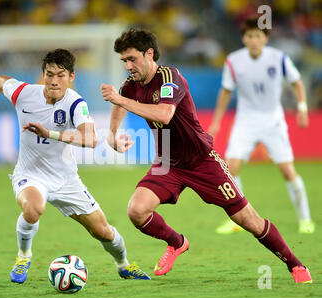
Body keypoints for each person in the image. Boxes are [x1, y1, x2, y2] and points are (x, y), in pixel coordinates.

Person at [100, 28, 312, 283]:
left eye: (132, 59)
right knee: (136, 211)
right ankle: (177, 243)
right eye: (124, 61)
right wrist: (113, 136)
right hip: (168, 163)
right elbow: (121, 99)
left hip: (203, 161)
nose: (128, 66)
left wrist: (119, 100)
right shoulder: (130, 86)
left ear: (149, 54)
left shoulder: (170, 77)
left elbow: (164, 114)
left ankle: (295, 265)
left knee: (248, 220)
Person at [0, 48, 150, 283]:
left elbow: (90, 139)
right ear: (43, 74)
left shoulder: (75, 104)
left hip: (66, 180)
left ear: (72, 77)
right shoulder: (24, 93)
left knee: (103, 231)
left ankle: (123, 265)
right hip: (30, 174)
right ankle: (24, 256)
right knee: (34, 208)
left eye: (60, 75)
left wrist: (51, 133)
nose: (54, 81)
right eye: (49, 74)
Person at [208, 16, 315, 235]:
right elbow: (226, 91)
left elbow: (297, 82)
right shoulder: (233, 61)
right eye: (249, 36)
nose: (254, 40)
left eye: (258, 36)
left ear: (265, 38)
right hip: (245, 122)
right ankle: (237, 219)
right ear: (244, 39)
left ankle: (305, 219)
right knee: (230, 169)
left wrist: (302, 108)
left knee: (287, 171)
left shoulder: (279, 58)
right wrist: (217, 121)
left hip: (273, 122)